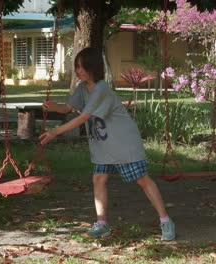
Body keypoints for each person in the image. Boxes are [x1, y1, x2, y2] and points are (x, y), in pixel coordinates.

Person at [39, 47, 175, 241]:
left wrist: (55, 132)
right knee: (98, 180)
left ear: (93, 67)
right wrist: (54, 107)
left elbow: (84, 117)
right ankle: (102, 224)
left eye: (82, 67)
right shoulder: (81, 89)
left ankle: (166, 221)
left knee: (142, 180)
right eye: (76, 67)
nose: (78, 71)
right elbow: (68, 108)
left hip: (123, 143)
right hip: (102, 145)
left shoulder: (101, 89)